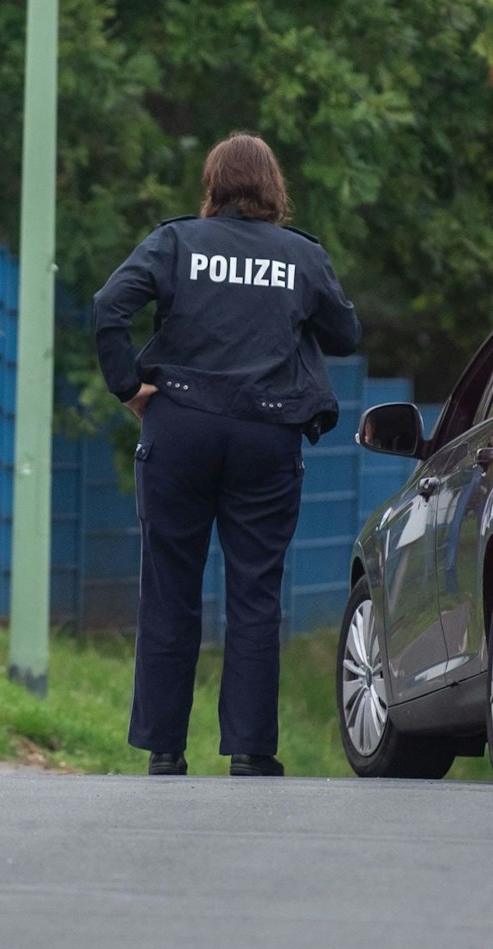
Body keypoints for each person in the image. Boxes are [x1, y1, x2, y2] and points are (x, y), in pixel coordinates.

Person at [92, 132, 360, 778]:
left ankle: (164, 748)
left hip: (179, 426)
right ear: (273, 190)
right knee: (254, 592)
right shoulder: (300, 256)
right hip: (266, 436)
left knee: (170, 589)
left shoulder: (176, 242)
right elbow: (344, 334)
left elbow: (108, 308)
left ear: (212, 186)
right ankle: (249, 750)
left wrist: (129, 387)